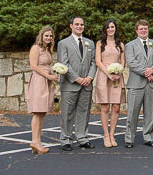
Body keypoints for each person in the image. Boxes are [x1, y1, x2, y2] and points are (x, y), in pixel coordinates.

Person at [58, 15, 96, 151]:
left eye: (82, 24)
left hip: (87, 84)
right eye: (77, 24)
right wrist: (77, 78)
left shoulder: (89, 43)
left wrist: (89, 77)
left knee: (84, 112)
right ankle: (66, 139)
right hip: (70, 84)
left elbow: (93, 62)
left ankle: (82, 138)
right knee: (67, 113)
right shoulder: (63, 43)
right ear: (71, 26)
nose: (80, 27)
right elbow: (64, 63)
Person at [124, 19, 153, 148]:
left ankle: (149, 137)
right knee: (132, 113)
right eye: (141, 29)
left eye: (145, 29)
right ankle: (129, 139)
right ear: (136, 31)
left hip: (152, 83)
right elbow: (131, 62)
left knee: (150, 113)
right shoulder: (130, 45)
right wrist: (146, 72)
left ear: (148, 30)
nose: (143, 31)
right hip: (136, 83)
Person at [27, 26, 59, 154]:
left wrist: (54, 74)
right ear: (41, 36)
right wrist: (48, 76)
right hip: (39, 81)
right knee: (37, 111)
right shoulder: (36, 48)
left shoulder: (47, 50)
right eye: (46, 35)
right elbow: (34, 66)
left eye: (50, 36)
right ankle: (34, 141)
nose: (48, 38)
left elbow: (46, 65)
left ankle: (37, 141)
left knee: (42, 112)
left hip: (47, 80)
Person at [94, 19, 126, 148]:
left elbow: (123, 62)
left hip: (117, 76)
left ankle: (112, 134)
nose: (111, 29)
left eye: (112, 27)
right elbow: (98, 61)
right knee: (105, 107)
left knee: (116, 107)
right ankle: (106, 135)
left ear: (115, 28)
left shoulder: (120, 44)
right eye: (108, 27)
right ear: (105, 29)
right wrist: (107, 73)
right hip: (104, 75)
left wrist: (118, 72)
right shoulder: (100, 44)